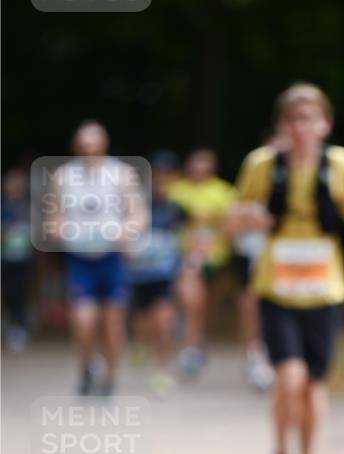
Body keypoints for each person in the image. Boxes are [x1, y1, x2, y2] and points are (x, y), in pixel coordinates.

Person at [232, 83, 344, 454]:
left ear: (325, 124)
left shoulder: (341, 164)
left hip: (324, 289)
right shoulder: (262, 165)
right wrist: (249, 216)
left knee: (314, 384)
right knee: (288, 378)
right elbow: (234, 220)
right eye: (293, 120)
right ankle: (280, 452)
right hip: (275, 286)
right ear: (281, 125)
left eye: (310, 119)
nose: (302, 128)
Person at [46, 121, 147, 395]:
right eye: (83, 144)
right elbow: (53, 217)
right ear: (76, 146)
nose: (89, 149)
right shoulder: (63, 177)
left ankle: (111, 377)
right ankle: (86, 366)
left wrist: (125, 230)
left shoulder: (122, 174)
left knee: (113, 322)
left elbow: (138, 215)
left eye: (94, 143)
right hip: (80, 258)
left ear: (104, 144)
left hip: (112, 257)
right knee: (83, 320)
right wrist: (57, 228)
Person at [168, 149, 238, 376]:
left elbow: (232, 224)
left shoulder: (223, 191)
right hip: (186, 257)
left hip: (216, 257)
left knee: (207, 305)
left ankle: (198, 337)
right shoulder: (177, 190)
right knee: (192, 301)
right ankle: (190, 347)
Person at [126, 163, 185, 396]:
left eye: (165, 177)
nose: (161, 183)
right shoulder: (135, 207)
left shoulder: (177, 209)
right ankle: (141, 342)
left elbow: (186, 237)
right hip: (140, 276)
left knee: (164, 323)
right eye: (157, 178)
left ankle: (161, 371)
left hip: (165, 276)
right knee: (143, 323)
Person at [1, 167, 33, 353]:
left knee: (21, 293)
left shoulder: (28, 208)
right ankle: (10, 322)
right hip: (5, 259)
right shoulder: (3, 207)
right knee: (8, 292)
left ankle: (19, 327)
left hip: (24, 260)